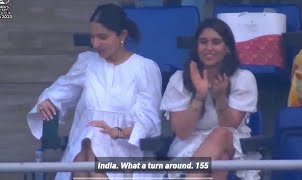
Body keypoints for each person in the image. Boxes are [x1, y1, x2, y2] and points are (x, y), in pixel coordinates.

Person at [27, 3, 162, 180]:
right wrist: (46, 101)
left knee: (94, 147)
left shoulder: (145, 68)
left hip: (124, 151)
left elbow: (150, 124)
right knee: (91, 139)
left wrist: (117, 132)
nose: (95, 44)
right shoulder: (87, 63)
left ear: (122, 36)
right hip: (83, 146)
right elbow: (60, 91)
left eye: (102, 37)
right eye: (92, 37)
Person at [161, 18, 260, 180]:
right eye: (203, 42)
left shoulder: (243, 78)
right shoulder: (179, 79)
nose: (209, 48)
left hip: (231, 141)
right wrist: (200, 95)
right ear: (196, 46)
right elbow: (182, 132)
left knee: (221, 133)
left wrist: (220, 97)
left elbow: (229, 126)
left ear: (227, 47)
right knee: (220, 161)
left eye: (216, 42)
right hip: (189, 144)